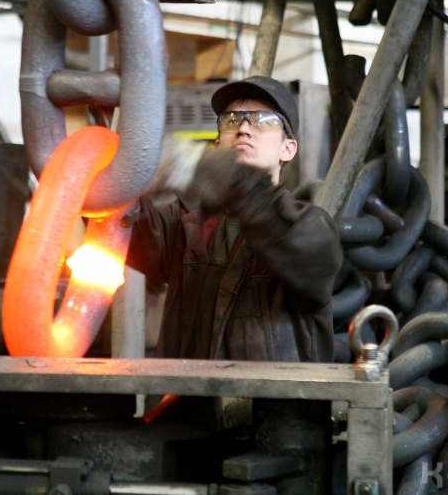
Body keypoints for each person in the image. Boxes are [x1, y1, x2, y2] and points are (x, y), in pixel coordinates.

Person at [126, 76, 342, 362]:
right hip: (186, 403)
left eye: (263, 121)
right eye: (231, 120)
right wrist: (119, 181)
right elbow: (122, 228)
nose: (243, 129)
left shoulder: (309, 227)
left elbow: (309, 256)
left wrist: (221, 176)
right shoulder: (182, 224)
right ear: (218, 144)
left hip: (274, 404)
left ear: (287, 149)